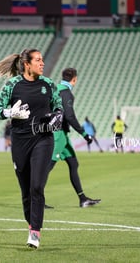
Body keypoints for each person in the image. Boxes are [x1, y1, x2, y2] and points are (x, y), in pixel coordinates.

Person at [0, 48, 63, 249]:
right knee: (25, 191)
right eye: (38, 60)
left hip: (43, 139)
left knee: (37, 187)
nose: (42, 63)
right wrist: (9, 112)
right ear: (27, 64)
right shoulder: (12, 85)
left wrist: (57, 116)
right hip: (20, 141)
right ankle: (31, 223)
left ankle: (35, 232)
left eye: (42, 60)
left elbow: (59, 107)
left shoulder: (49, 85)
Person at [47, 68, 101, 209]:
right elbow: (69, 116)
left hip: (61, 133)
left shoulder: (54, 90)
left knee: (73, 163)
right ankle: (34, 200)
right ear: (74, 79)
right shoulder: (66, 93)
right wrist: (84, 134)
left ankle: (82, 199)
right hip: (57, 134)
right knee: (47, 167)